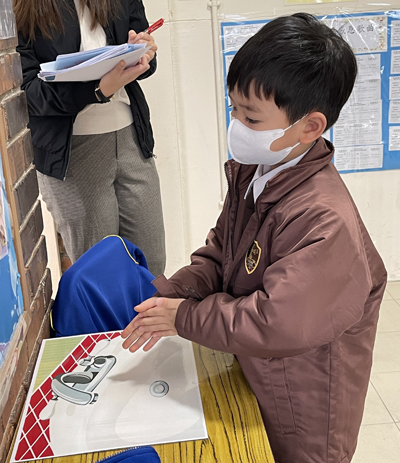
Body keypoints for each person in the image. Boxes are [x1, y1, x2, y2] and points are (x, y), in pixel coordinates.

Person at [121, 13, 387, 463]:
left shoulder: (324, 220)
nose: (237, 125)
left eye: (251, 117)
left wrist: (185, 317)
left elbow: (276, 321)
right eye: (233, 110)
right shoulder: (256, 171)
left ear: (310, 127)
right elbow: (222, 250)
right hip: (259, 375)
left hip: (305, 406)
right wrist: (173, 293)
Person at [14, 0, 166, 276]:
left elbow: (145, 54)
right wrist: (96, 90)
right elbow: (27, 93)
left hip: (132, 139)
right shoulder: (24, 7)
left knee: (152, 266)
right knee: (101, 276)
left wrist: (145, 50)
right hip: (72, 152)